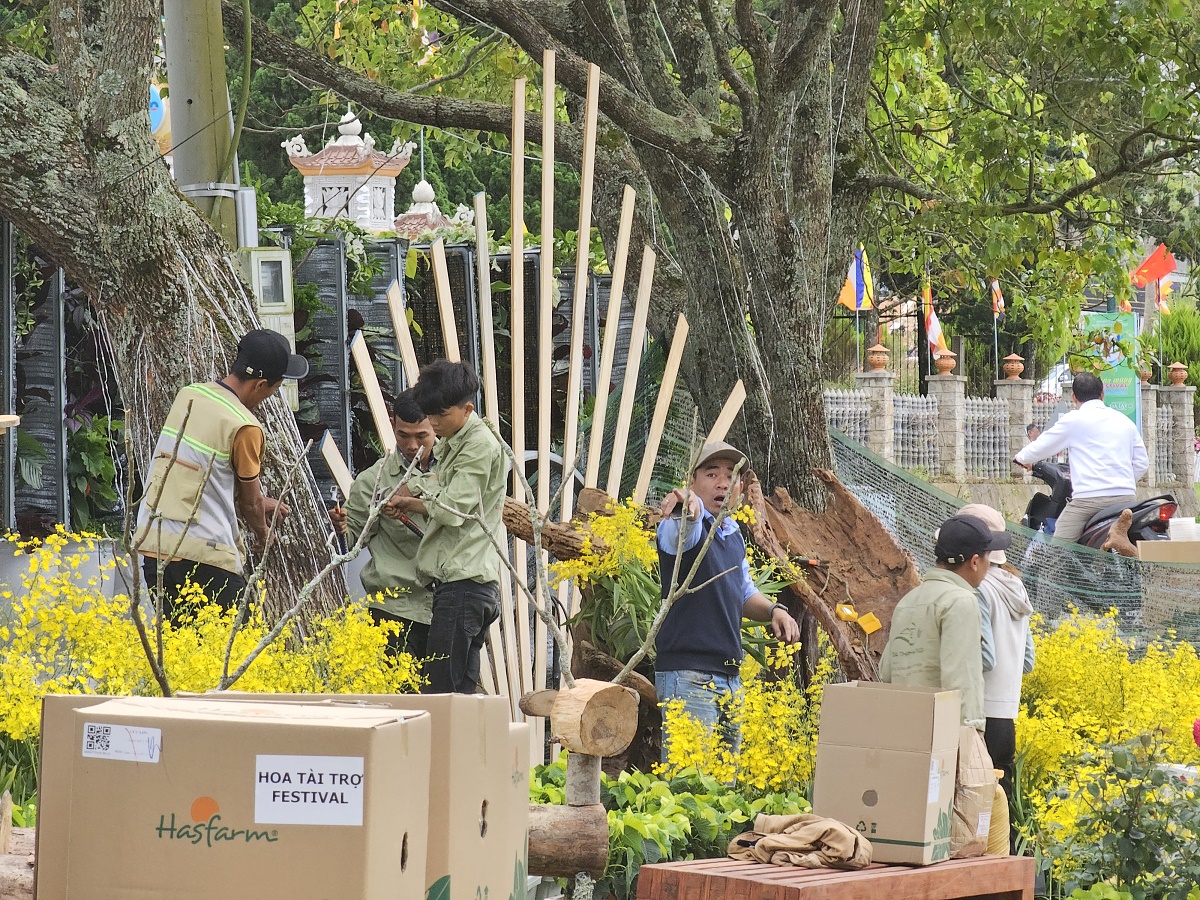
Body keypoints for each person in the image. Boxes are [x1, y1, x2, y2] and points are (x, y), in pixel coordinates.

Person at [133, 329, 308, 621]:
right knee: (234, 648)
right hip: (205, 554)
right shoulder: (244, 426)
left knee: (180, 651)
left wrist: (256, 500)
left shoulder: (189, 395)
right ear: (262, 384)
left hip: (156, 545)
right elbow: (250, 506)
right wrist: (263, 533)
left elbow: (196, 469)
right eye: (275, 388)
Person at [655, 441, 801, 761]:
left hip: (730, 680)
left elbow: (744, 592)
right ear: (691, 482)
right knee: (688, 788)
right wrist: (687, 506)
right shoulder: (684, 526)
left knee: (723, 793)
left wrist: (774, 611)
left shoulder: (732, 533)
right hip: (690, 677)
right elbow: (681, 530)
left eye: (730, 476)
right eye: (711, 474)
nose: (723, 483)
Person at [386, 359, 507, 693]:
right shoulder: (458, 440)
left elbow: (453, 508)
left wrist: (417, 489)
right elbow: (450, 495)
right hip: (461, 586)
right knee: (460, 694)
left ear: (467, 409)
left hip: (465, 585)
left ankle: (444, 747)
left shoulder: (479, 445)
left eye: (441, 415)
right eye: (431, 415)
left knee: (441, 693)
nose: (434, 423)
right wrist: (411, 502)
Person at [880, 513, 1012, 732]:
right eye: (988, 557)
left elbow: (886, 671)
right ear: (975, 562)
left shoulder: (908, 601)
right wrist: (972, 732)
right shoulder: (961, 601)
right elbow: (961, 676)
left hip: (903, 729)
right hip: (942, 733)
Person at [330, 390, 437, 656]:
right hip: (393, 606)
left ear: (436, 426)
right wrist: (342, 528)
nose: (412, 445)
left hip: (446, 606)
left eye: (421, 436)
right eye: (403, 435)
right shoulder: (372, 480)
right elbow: (352, 541)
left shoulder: (455, 472)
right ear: (393, 426)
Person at [958, 503, 1035, 812]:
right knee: (1002, 808)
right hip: (1006, 717)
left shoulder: (979, 589)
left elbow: (985, 658)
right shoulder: (1015, 586)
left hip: (980, 715)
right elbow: (1027, 661)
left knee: (977, 813)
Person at [1013, 372, 1148, 544]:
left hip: (1089, 501)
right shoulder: (1124, 421)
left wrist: (1021, 457)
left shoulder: (1074, 419)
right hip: (1126, 499)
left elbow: (1043, 445)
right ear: (1102, 393)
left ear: (1073, 396)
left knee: (1059, 552)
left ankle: (1059, 570)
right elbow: (1142, 463)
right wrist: (1123, 481)